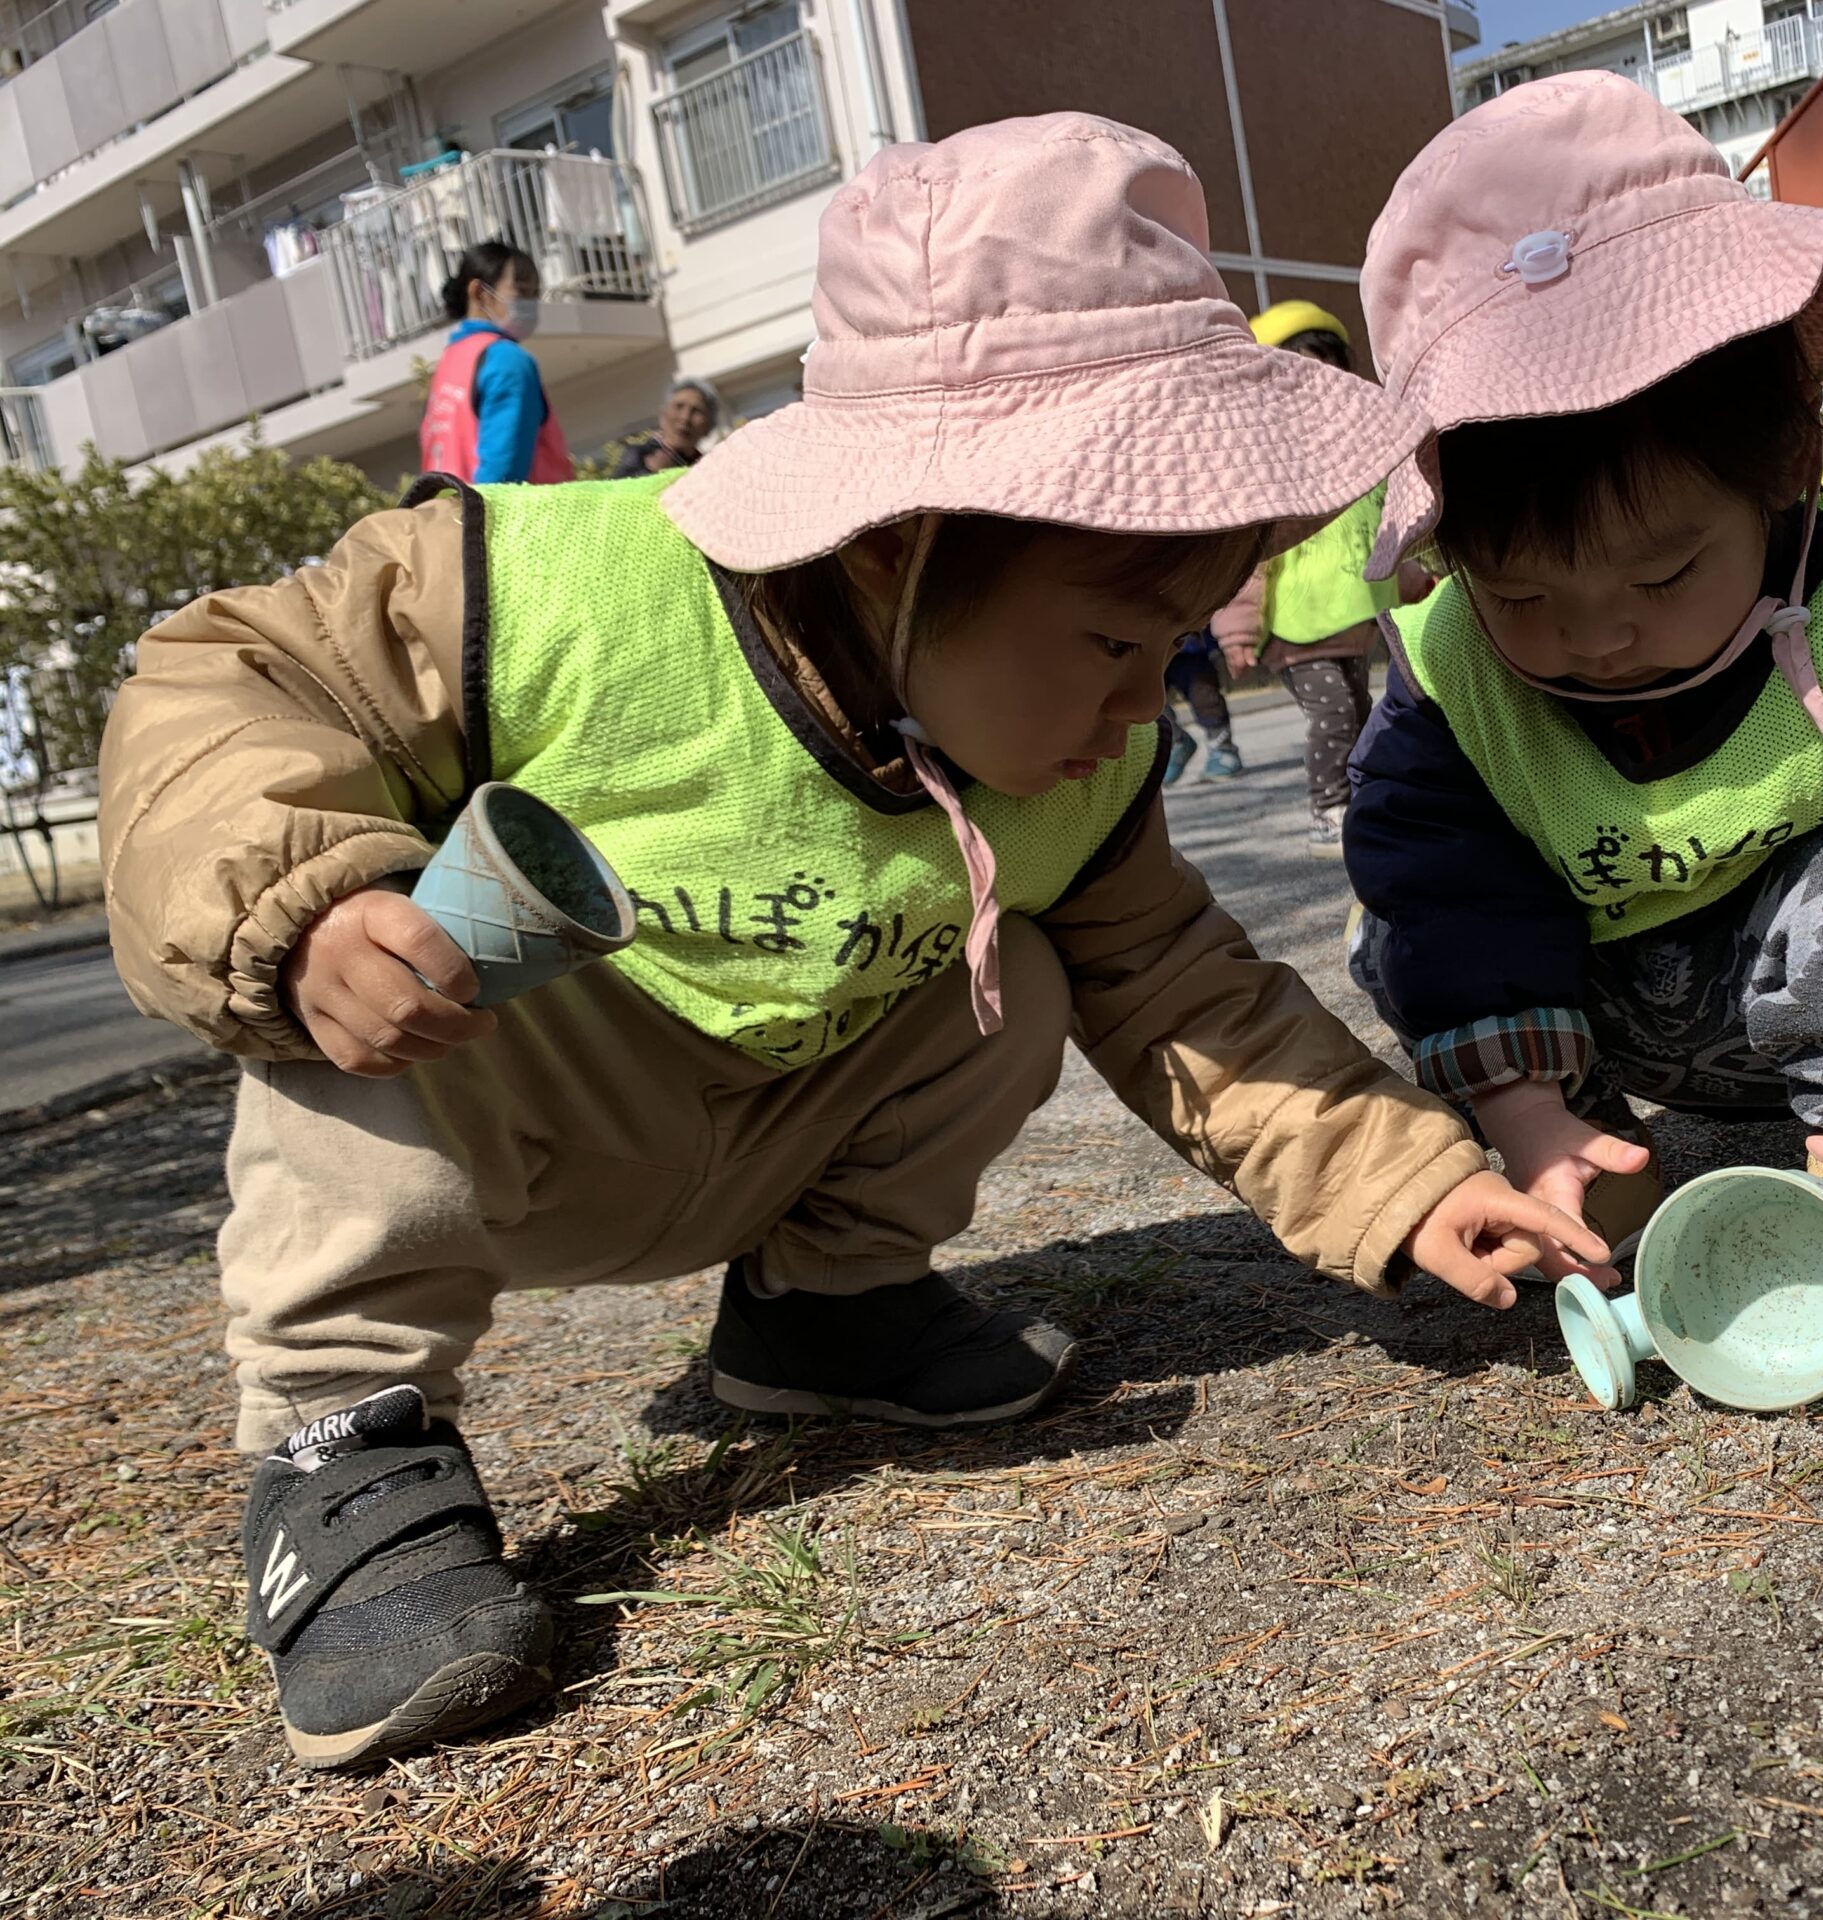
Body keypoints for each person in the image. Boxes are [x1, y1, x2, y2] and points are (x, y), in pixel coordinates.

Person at [98, 117, 1603, 1772]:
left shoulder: (1070, 777)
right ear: (891, 549)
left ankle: (817, 1315)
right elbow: (222, 682)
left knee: (1025, 975)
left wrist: (1409, 1183)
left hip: (762, 1144)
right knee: (349, 964)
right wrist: (302, 905)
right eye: (1112, 642)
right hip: (500, 1097)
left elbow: (1186, 995)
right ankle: (342, 1447)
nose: (1143, 706)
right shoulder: (540, 594)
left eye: (1170, 646)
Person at [1343, 74, 1823, 1305]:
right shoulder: (1450, 678)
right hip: (1596, 1007)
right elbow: (1445, 899)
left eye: (1663, 573)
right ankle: (1592, 1172)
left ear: (1782, 463)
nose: (1601, 637)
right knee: (1396, 926)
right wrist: (1523, 1120)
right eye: (1526, 599)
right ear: (1451, 550)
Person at [1213, 302, 1433, 850]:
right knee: (1334, 713)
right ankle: (1328, 806)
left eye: (1332, 376)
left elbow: (1378, 537)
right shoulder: (1269, 471)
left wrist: (1408, 580)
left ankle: (1360, 804)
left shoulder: (1364, 464)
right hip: (1295, 627)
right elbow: (1247, 559)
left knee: (1361, 716)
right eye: (1302, 381)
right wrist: (1238, 631)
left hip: (1354, 623)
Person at [419, 240, 571, 486]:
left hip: (450, 516)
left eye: (535, 294)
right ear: (479, 292)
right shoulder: (506, 359)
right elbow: (504, 471)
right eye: (521, 291)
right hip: (511, 518)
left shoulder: (448, 363)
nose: (531, 304)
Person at [1160, 628, 1243, 782]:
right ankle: (1175, 742)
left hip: (1191, 638)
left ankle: (1222, 748)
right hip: (1144, 642)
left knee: (1204, 694)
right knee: (1142, 701)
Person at [611, 376, 723, 477]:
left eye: (696, 411)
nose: (685, 418)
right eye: (679, 406)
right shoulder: (639, 455)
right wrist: (650, 473)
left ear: (709, 426)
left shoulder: (709, 469)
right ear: (662, 415)